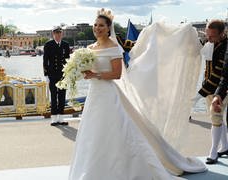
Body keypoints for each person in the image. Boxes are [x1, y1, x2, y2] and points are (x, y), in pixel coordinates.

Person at [69, 8, 206, 180]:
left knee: (115, 130)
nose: (97, 28)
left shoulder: (113, 47)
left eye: (101, 25)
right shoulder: (89, 48)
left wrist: (95, 75)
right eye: (95, 25)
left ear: (108, 27)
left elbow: (116, 74)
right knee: (92, 132)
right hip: (94, 94)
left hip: (108, 95)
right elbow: (88, 70)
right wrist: (80, 71)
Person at [205, 20, 228, 164]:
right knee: (217, 118)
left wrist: (218, 94)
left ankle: (213, 151)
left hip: (222, 88)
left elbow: (225, 74)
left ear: (222, 33)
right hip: (209, 87)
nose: (209, 39)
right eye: (208, 35)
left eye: (212, 36)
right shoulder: (209, 42)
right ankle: (225, 146)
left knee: (216, 116)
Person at [43, 26, 70, 126]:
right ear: (53, 34)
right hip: (52, 75)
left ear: (62, 34)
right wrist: (46, 75)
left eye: (59, 33)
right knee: (54, 96)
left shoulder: (65, 45)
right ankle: (54, 118)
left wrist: (69, 73)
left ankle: (61, 118)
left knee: (62, 96)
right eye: (56, 33)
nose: (58, 35)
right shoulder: (48, 44)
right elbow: (45, 60)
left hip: (63, 74)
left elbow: (68, 60)